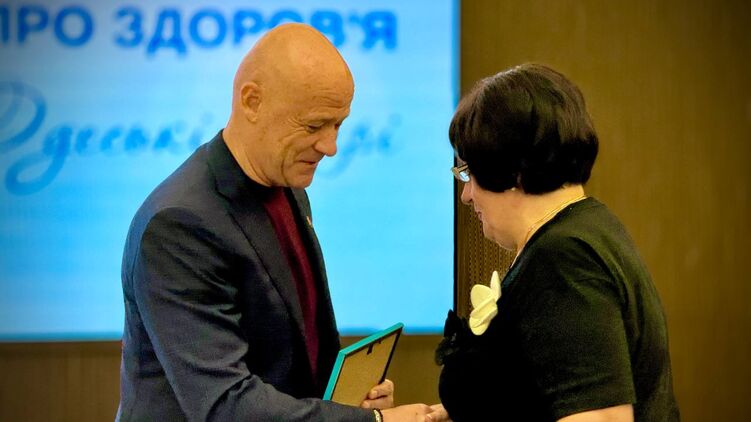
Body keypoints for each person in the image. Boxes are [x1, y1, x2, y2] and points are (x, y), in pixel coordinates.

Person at [117, 23, 433, 421]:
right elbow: (225, 404)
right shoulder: (179, 225)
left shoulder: (287, 186)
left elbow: (298, 350)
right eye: (314, 126)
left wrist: (349, 401)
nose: (331, 146)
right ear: (252, 101)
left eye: (338, 124)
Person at [433, 64, 680, 421]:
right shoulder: (587, 227)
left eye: (470, 173)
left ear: (511, 171)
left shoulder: (564, 258)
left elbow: (600, 418)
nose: (467, 195)